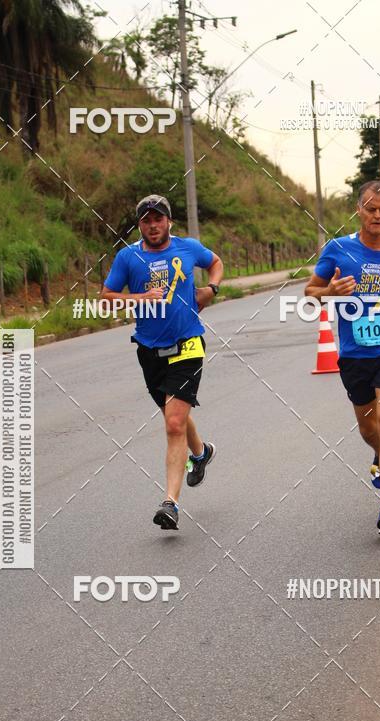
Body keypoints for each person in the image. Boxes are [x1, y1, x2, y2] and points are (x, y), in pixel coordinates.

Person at [304, 181, 380, 536]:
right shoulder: (338, 249)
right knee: (369, 429)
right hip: (355, 353)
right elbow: (310, 292)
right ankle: (379, 454)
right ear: (359, 209)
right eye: (371, 209)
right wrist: (330, 291)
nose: (377, 215)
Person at [101, 195, 224, 530]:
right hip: (149, 350)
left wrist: (211, 289)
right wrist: (138, 298)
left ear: (169, 221)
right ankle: (201, 453)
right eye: (146, 220)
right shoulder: (128, 257)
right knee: (174, 415)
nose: (153, 225)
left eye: (158, 219)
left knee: (173, 423)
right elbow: (106, 299)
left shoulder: (188, 248)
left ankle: (170, 503)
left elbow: (215, 262)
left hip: (188, 345)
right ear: (139, 225)